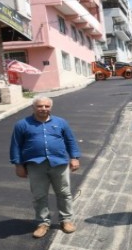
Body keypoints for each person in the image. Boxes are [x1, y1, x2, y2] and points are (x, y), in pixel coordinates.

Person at [10, 96, 81, 239]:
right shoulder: (22, 125)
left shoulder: (60, 122)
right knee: (39, 195)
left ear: (51, 107)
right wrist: (18, 165)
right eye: (40, 106)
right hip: (35, 165)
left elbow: (70, 140)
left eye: (46, 106)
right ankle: (43, 223)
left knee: (64, 193)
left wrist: (74, 157)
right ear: (33, 107)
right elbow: (16, 145)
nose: (43, 109)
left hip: (59, 163)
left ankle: (66, 220)